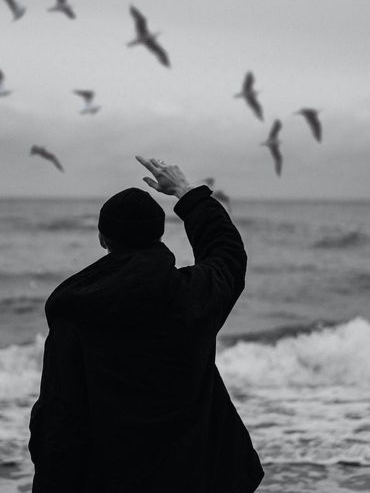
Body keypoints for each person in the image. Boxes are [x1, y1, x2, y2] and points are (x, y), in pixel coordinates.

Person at [28, 156, 264, 492]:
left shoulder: (76, 311)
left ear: (102, 238)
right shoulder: (191, 296)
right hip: (200, 477)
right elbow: (227, 254)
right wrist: (186, 193)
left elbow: (59, 421)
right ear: (158, 233)